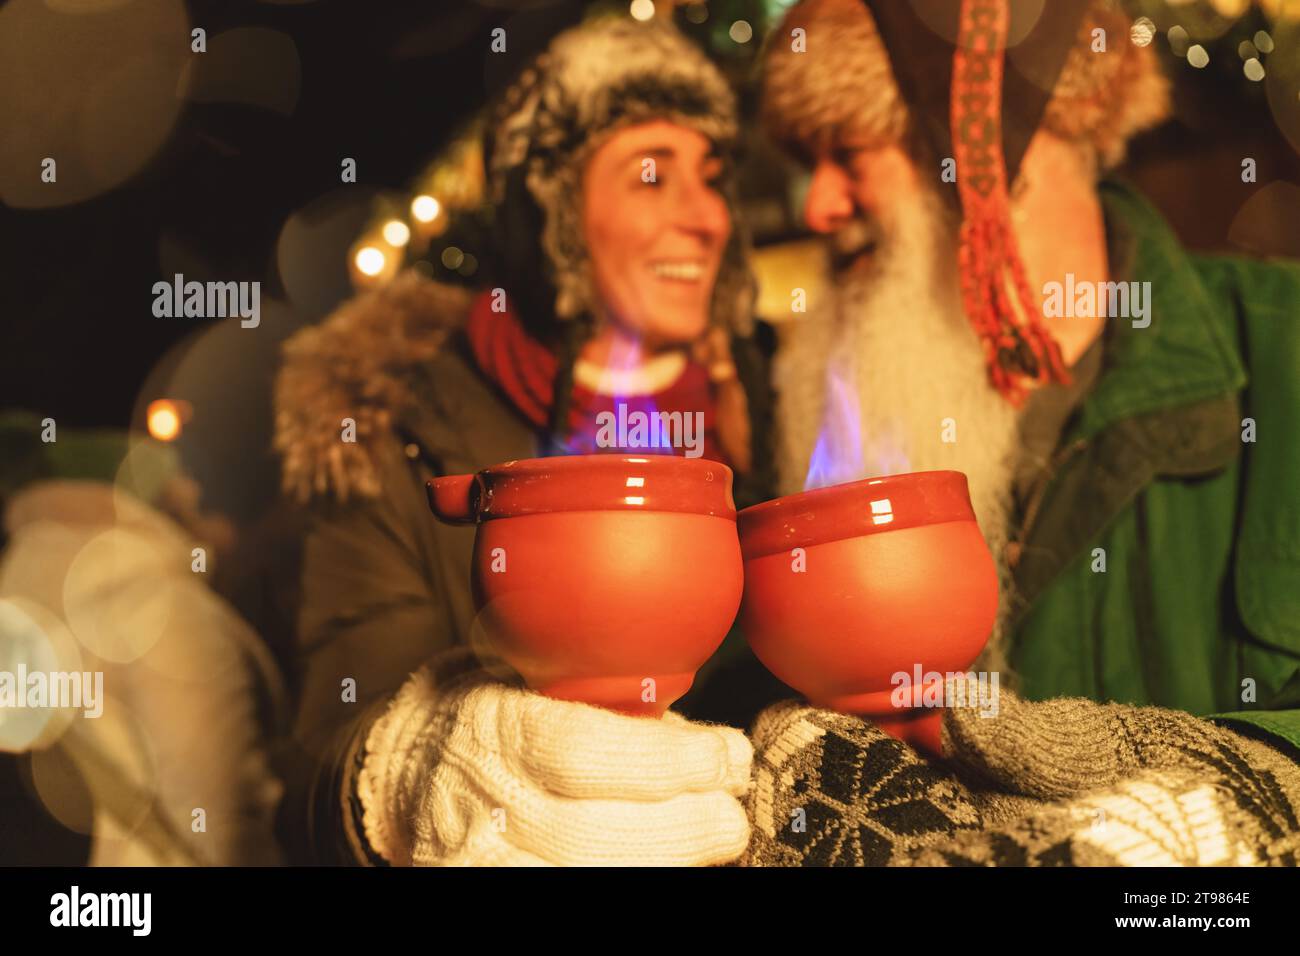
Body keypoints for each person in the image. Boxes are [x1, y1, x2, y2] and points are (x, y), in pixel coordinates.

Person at [741, 0, 1300, 865]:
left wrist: (1240, 787)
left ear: (987, 153)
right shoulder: (823, 400)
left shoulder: (1287, 351)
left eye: (847, 151)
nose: (815, 205)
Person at [271, 16, 781, 866]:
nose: (706, 218)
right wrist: (415, 774)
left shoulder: (778, 397)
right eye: (651, 176)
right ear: (553, 216)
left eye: (713, 176)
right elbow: (315, 777)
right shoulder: (395, 429)